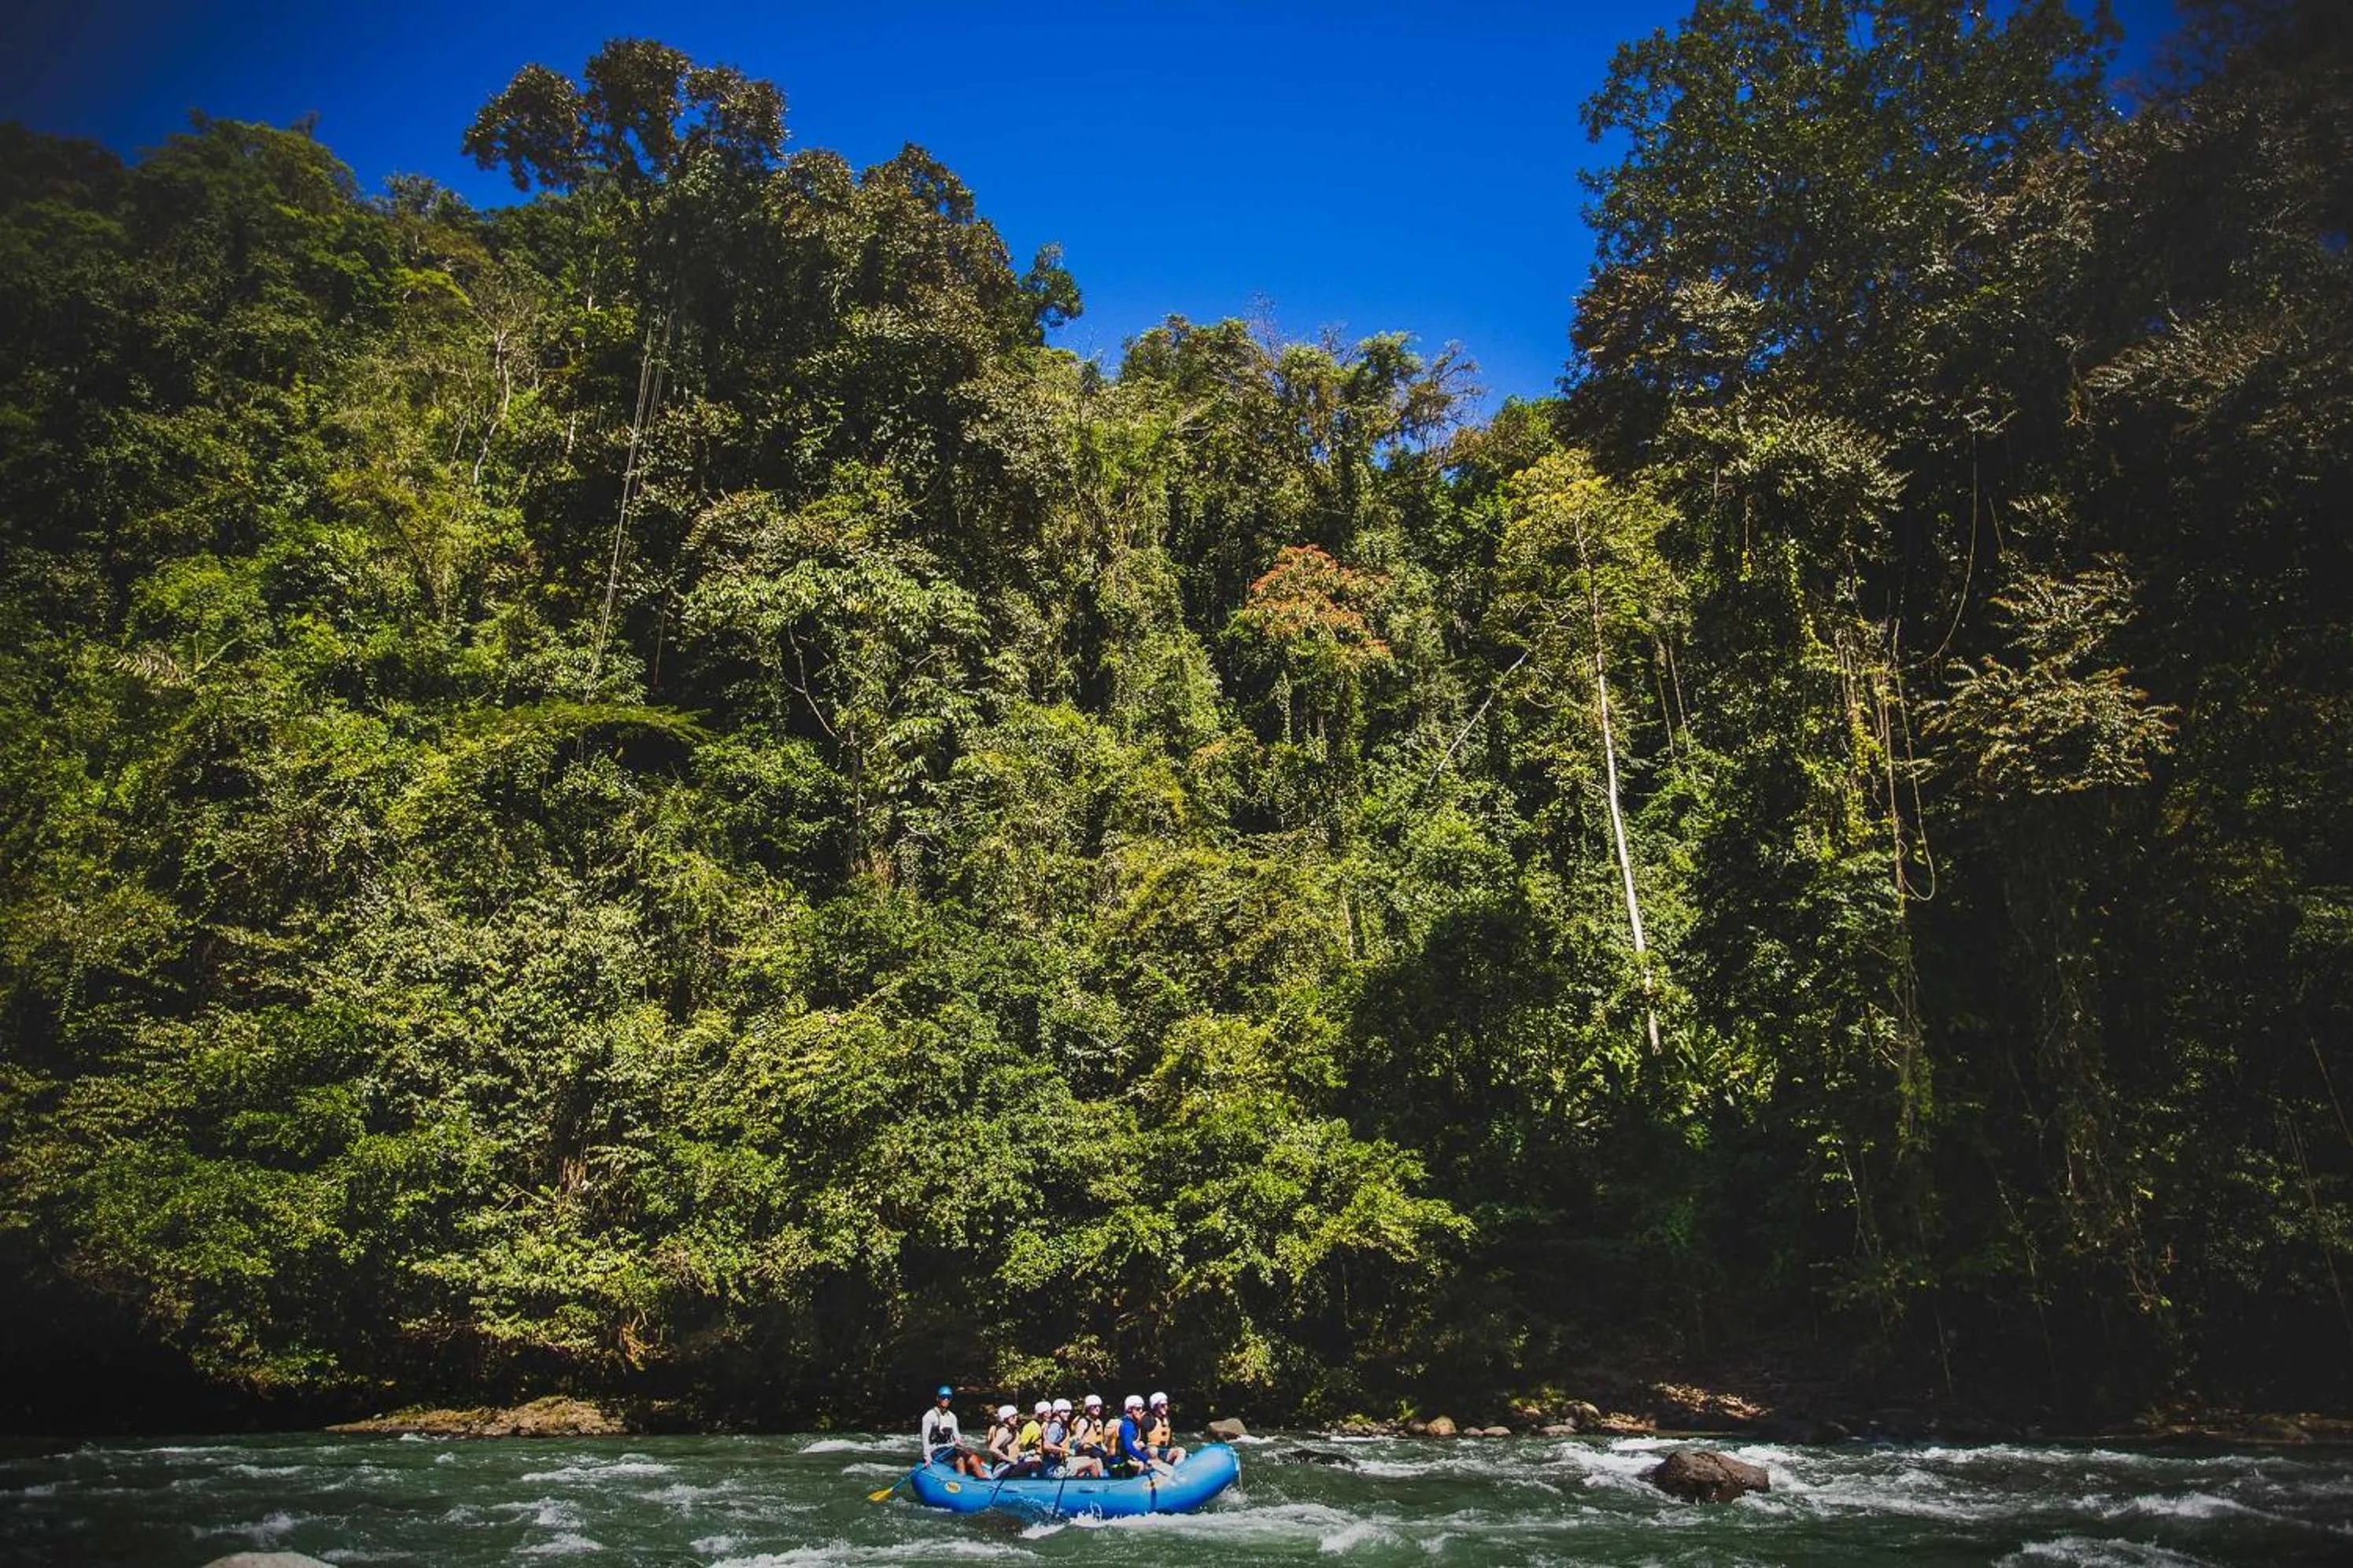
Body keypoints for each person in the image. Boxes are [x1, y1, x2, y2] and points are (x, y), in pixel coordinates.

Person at [919, 1385, 986, 1477]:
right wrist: (927, 1457)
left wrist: (959, 1443)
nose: (946, 1399)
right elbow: (925, 1439)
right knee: (960, 1460)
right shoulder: (929, 1416)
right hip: (935, 1450)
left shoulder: (952, 1416)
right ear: (938, 1398)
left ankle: (985, 1482)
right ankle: (962, 1484)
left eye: (949, 1398)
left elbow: (956, 1435)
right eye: (943, 1397)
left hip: (950, 1448)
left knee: (974, 1458)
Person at [1045, 1396, 1103, 1478]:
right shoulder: (1055, 1426)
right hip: (1053, 1469)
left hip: (1060, 1464)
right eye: (1065, 1411)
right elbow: (1046, 1446)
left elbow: (1071, 1440)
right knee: (1093, 1463)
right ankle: (1099, 1488)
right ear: (1057, 1412)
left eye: (1069, 1412)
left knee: (1096, 1461)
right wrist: (1066, 1450)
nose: (1068, 1414)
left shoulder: (1061, 1426)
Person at [1114, 1393, 1158, 1475]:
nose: (1141, 1411)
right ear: (1130, 1409)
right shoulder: (1127, 1425)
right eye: (1138, 1409)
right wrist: (1145, 1459)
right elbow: (1128, 1448)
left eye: (1141, 1409)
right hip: (1120, 1464)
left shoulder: (1133, 1424)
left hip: (1128, 1459)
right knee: (1140, 1465)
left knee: (1153, 1451)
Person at [1145, 1391, 1188, 1467]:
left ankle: (1177, 1472)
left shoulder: (1167, 1419)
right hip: (1149, 1451)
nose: (1166, 1407)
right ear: (1155, 1406)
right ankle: (1155, 1469)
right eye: (1162, 1405)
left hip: (1164, 1452)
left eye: (1166, 1405)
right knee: (1153, 1450)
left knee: (1181, 1451)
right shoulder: (1148, 1419)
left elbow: (1169, 1440)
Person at [1071, 1393, 1112, 1473]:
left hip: (1096, 1455)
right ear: (1088, 1408)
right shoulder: (1083, 1422)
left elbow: (1100, 1442)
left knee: (1100, 1463)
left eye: (1099, 1406)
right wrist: (1083, 1442)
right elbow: (1076, 1441)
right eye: (1094, 1406)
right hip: (1083, 1456)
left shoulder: (1099, 1422)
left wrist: (1107, 1452)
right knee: (1096, 1463)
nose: (1098, 1409)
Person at [984, 1403, 1021, 1476]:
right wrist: (1010, 1460)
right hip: (1002, 1468)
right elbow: (992, 1449)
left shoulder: (996, 1428)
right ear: (1006, 1418)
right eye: (1013, 1417)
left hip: (1000, 1466)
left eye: (1016, 1416)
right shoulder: (1004, 1431)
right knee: (1033, 1465)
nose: (1016, 1418)